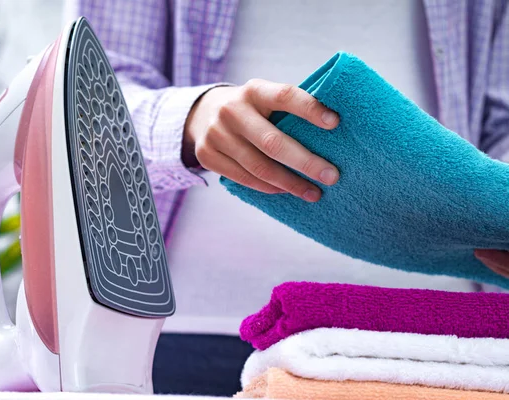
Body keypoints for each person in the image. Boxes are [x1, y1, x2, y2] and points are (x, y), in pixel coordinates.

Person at [68, 0, 509, 396]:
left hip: (446, 339)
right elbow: (87, 99)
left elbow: (501, 123)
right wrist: (193, 117)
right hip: (181, 331)